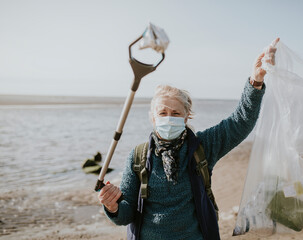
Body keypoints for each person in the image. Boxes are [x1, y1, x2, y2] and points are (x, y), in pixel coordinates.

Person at [98, 38, 280, 240]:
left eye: (175, 113)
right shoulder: (138, 156)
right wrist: (112, 206)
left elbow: (240, 122)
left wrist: (255, 81)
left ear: (186, 117)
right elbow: (125, 214)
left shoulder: (202, 146)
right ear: (152, 117)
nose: (168, 118)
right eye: (162, 113)